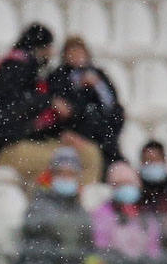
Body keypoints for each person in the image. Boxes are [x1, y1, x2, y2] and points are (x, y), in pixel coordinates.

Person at [0, 24, 102, 188]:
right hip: (12, 148)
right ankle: (57, 206)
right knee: (64, 162)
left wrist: (60, 134)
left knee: (90, 154)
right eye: (48, 47)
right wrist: (48, 101)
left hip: (34, 143)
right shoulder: (12, 69)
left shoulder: (35, 72)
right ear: (40, 48)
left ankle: (80, 205)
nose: (51, 53)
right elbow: (11, 117)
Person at [15, 146, 93, 264]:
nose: (66, 178)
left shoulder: (79, 208)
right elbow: (35, 226)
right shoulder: (39, 202)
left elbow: (87, 233)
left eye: (71, 174)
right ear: (52, 175)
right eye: (61, 173)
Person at [48, 36, 125, 168]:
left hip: (100, 125)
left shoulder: (97, 74)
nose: (76, 56)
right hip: (76, 126)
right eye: (72, 52)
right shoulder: (58, 76)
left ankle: (112, 159)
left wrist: (97, 85)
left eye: (79, 52)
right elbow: (65, 106)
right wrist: (79, 87)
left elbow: (111, 102)